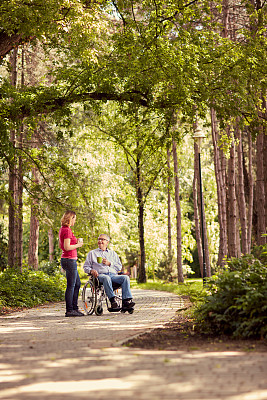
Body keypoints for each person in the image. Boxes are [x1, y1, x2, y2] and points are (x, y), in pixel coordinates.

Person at [83, 234, 135, 310]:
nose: (100, 241)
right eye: (99, 239)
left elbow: (119, 267)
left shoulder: (113, 254)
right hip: (100, 276)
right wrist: (91, 270)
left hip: (113, 276)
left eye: (102, 239)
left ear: (107, 242)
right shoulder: (92, 253)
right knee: (106, 277)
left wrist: (110, 263)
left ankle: (125, 302)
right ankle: (113, 301)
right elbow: (85, 267)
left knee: (125, 277)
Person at [59, 211, 84, 317]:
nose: (75, 221)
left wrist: (75, 242)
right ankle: (69, 310)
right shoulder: (67, 230)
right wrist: (78, 245)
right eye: (74, 219)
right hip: (69, 260)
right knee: (71, 286)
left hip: (69, 260)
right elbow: (67, 247)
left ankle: (75, 308)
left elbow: (67, 244)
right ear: (70, 218)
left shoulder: (64, 229)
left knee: (77, 284)